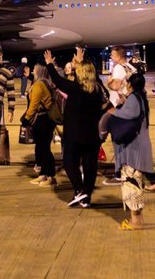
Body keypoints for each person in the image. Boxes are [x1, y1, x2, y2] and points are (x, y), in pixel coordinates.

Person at [45, 49, 105, 207]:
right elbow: (95, 77)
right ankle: (86, 198)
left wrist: (50, 64)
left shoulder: (74, 88)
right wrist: (81, 61)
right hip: (93, 135)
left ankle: (79, 190)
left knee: (70, 162)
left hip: (74, 135)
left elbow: (57, 80)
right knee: (90, 165)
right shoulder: (97, 90)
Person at [107, 72, 153, 230]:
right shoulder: (141, 98)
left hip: (133, 148)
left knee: (130, 183)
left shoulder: (134, 98)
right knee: (136, 182)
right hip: (139, 147)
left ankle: (135, 221)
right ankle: (138, 219)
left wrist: (113, 111)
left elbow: (128, 114)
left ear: (131, 85)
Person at [102, 46, 137, 186]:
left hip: (119, 107)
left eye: (112, 54)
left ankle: (120, 174)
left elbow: (115, 85)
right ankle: (129, 170)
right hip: (130, 107)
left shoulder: (117, 68)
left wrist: (109, 81)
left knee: (118, 142)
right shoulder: (130, 67)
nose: (110, 56)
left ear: (118, 56)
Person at [21, 62, 58, 187]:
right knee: (42, 148)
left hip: (42, 121)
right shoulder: (46, 82)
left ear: (39, 71)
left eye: (35, 69)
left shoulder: (38, 85)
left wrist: (26, 119)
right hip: (47, 120)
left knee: (44, 149)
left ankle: (51, 176)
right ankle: (43, 174)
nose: (33, 70)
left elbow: (34, 105)